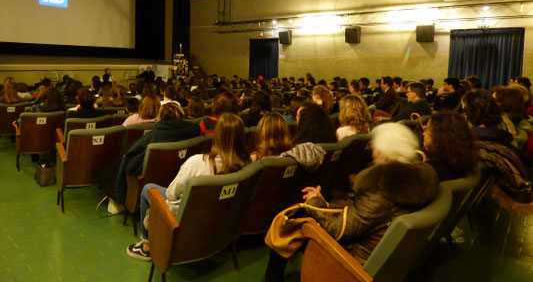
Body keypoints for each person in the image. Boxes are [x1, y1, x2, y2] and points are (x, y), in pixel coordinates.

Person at [265, 122, 439, 281]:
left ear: (384, 153)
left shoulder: (381, 191)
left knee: (285, 229)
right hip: (374, 248)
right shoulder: (414, 182)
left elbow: (338, 229)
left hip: (354, 259)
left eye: (376, 148)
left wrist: (313, 203)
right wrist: (325, 204)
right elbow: (363, 214)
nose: (373, 152)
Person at [127, 113, 251, 261]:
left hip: (187, 217)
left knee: (148, 189)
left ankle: (146, 246)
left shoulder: (197, 163)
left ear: (217, 136)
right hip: (219, 219)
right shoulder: (247, 165)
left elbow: (172, 194)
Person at [115, 102, 203, 206]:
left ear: (160, 116)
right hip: (179, 180)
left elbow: (131, 164)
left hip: (152, 181)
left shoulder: (155, 136)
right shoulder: (195, 132)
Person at [423, 111, 479, 181]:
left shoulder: (429, 173)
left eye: (427, 129)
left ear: (439, 136)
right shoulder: (464, 162)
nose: (424, 133)